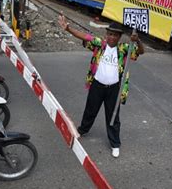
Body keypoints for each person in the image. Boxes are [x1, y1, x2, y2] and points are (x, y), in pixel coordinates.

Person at [58, 15, 144, 158]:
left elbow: (140, 51)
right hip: (97, 85)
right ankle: (82, 130)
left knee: (113, 116)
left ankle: (115, 144)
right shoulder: (100, 45)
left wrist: (138, 41)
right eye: (109, 34)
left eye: (115, 35)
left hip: (114, 88)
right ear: (106, 35)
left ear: (119, 37)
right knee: (90, 109)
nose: (111, 37)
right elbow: (85, 37)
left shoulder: (124, 49)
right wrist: (68, 28)